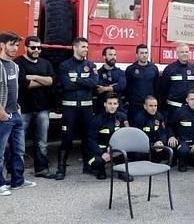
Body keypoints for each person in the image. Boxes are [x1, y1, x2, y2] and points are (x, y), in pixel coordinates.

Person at [55, 37, 98, 180]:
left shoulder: (91, 65)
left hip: (86, 109)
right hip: (70, 110)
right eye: (83, 47)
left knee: (87, 138)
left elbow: (94, 83)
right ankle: (61, 169)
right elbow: (66, 85)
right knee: (67, 139)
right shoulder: (64, 65)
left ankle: (88, 166)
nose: (86, 49)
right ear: (75, 48)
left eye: (87, 47)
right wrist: (85, 82)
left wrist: (77, 80)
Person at [14, 36, 56, 179]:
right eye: (33, 47)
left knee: (42, 142)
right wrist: (42, 80)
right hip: (24, 109)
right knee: (19, 143)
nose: (36, 50)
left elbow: (51, 81)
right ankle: (16, 174)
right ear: (26, 48)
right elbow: (26, 84)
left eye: (39, 47)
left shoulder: (46, 63)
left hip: (43, 109)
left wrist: (34, 76)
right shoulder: (18, 62)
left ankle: (41, 170)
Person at [1, 32, 36, 196]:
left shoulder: (14, 66)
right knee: (0, 153)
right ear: (2, 45)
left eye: (16, 45)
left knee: (18, 151)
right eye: (11, 44)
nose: (15, 48)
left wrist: (18, 107)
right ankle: (1, 184)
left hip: (15, 114)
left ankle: (17, 180)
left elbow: (14, 90)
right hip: (3, 115)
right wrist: (1, 112)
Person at [87, 93, 131, 181]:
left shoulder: (122, 117)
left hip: (117, 149)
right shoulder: (97, 119)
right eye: (110, 103)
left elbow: (126, 136)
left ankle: (121, 172)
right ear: (105, 104)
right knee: (97, 162)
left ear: (118, 105)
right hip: (101, 151)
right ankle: (100, 170)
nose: (112, 106)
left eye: (115, 104)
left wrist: (114, 148)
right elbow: (91, 140)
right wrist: (102, 153)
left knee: (127, 153)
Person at [167, 90, 194, 172]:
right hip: (184, 142)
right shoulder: (179, 112)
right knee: (183, 150)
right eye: (191, 99)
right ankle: (183, 161)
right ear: (187, 100)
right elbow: (170, 126)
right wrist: (171, 136)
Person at [158, 43, 194, 120]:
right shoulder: (169, 69)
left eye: (186, 52)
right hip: (173, 108)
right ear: (177, 53)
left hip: (190, 109)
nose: (185, 54)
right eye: (182, 52)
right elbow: (163, 90)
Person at [125, 44, 159, 122]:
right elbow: (128, 87)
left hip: (149, 106)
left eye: (146, 53)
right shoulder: (130, 69)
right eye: (142, 53)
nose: (144, 55)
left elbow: (157, 86)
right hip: (135, 106)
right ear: (137, 55)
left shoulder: (154, 68)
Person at [131, 96, 169, 163]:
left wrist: (161, 142)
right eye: (151, 106)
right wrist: (152, 145)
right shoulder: (138, 117)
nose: (154, 108)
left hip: (157, 144)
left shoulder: (159, 116)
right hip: (145, 145)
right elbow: (138, 138)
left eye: (155, 106)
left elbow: (163, 132)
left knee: (171, 148)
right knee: (139, 154)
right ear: (145, 106)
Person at [95, 46, 127, 115]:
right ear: (104, 57)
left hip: (119, 110)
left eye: (114, 55)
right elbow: (98, 87)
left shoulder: (121, 72)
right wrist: (113, 86)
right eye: (110, 55)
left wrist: (105, 88)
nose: (113, 57)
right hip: (102, 110)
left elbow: (122, 86)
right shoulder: (98, 73)